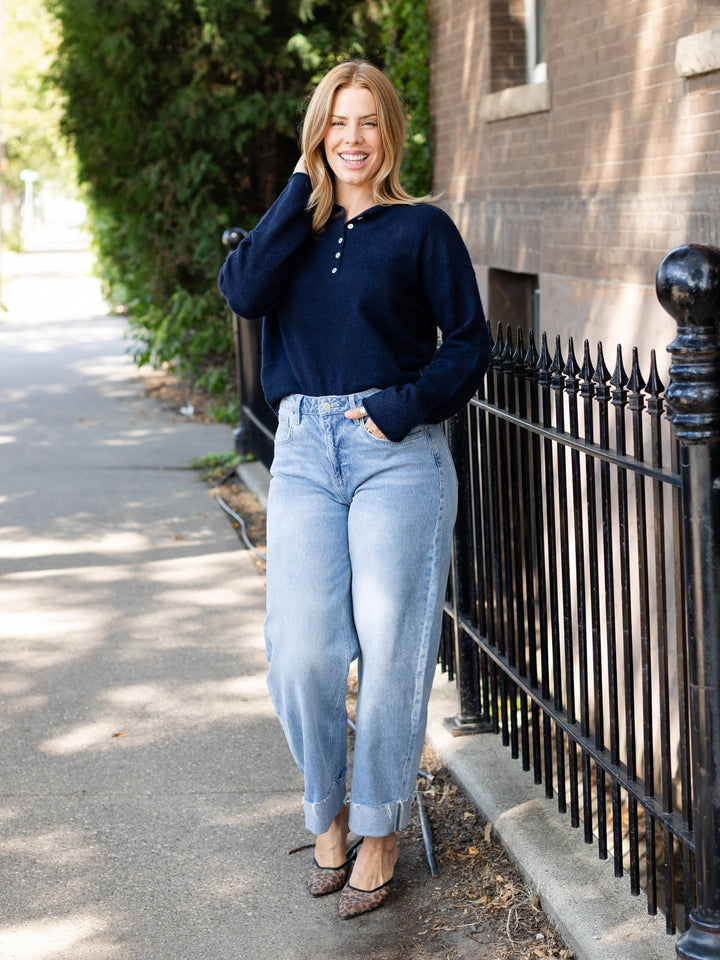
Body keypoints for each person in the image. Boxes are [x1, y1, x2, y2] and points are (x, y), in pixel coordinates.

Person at [218, 59, 489, 920]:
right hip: (302, 453)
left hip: (392, 452)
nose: (354, 138)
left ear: (390, 133)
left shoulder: (421, 228)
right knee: (300, 652)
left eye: (369, 121)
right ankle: (325, 811)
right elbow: (241, 288)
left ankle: (378, 829)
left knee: (391, 646)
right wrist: (296, 192)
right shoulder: (293, 229)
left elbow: (469, 344)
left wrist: (398, 409)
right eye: (338, 122)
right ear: (318, 134)